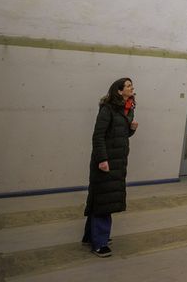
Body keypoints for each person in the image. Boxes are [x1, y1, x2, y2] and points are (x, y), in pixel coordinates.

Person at [82, 77, 138, 257]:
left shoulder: (127, 109)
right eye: (128, 86)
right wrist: (102, 159)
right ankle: (99, 244)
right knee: (105, 201)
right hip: (106, 161)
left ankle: (91, 236)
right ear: (119, 91)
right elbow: (98, 136)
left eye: (131, 85)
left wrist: (132, 129)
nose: (131, 88)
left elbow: (119, 135)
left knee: (100, 198)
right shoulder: (107, 110)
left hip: (118, 161)